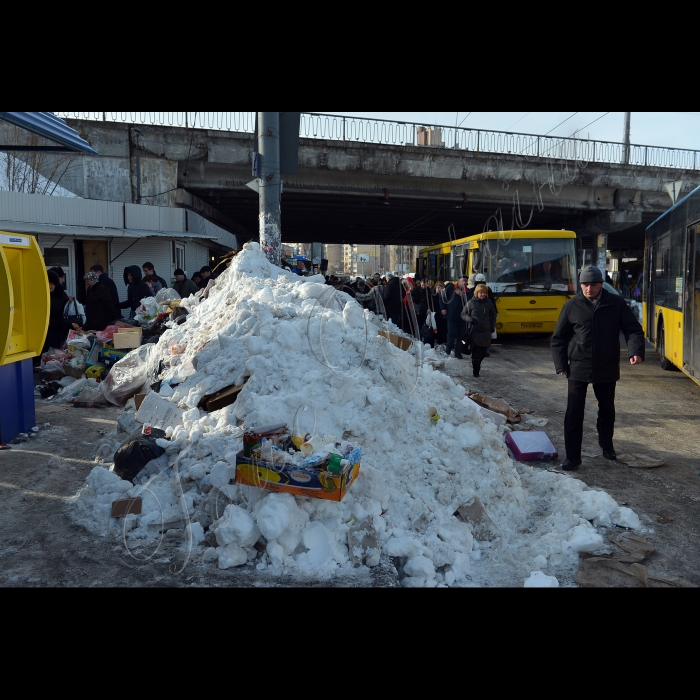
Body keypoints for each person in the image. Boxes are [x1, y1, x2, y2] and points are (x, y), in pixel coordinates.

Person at [550, 265, 645, 471]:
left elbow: (633, 330)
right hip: (578, 366)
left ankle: (607, 446)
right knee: (574, 413)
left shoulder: (616, 303)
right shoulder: (571, 306)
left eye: (593, 284)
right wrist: (561, 365)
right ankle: (572, 457)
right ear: (580, 285)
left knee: (607, 410)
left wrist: (635, 351)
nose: (589, 288)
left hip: (606, 366)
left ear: (601, 284)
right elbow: (558, 339)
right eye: (585, 284)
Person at [461, 284, 497, 378]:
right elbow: (463, 314)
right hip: (474, 332)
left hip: (486, 332)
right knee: (476, 354)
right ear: (477, 293)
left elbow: (493, 314)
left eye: (484, 292)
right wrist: (470, 320)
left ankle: (477, 365)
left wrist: (491, 325)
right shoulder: (471, 303)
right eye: (481, 292)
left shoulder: (489, 302)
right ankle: (475, 371)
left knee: (484, 353)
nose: (483, 294)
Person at [43, 270, 70, 352]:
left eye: (52, 284)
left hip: (57, 331)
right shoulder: (41, 295)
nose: (50, 286)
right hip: (44, 331)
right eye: (49, 283)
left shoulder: (61, 295)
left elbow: (66, 312)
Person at [439, 281, 467, 359]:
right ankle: (448, 349)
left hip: (463, 317)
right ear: (459, 281)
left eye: (465, 281)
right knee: (451, 333)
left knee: (461, 335)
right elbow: (442, 297)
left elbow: (470, 301)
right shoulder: (451, 288)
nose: (464, 283)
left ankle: (458, 352)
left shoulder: (468, 291)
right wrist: (443, 308)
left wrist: (462, 295)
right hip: (451, 316)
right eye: (462, 281)